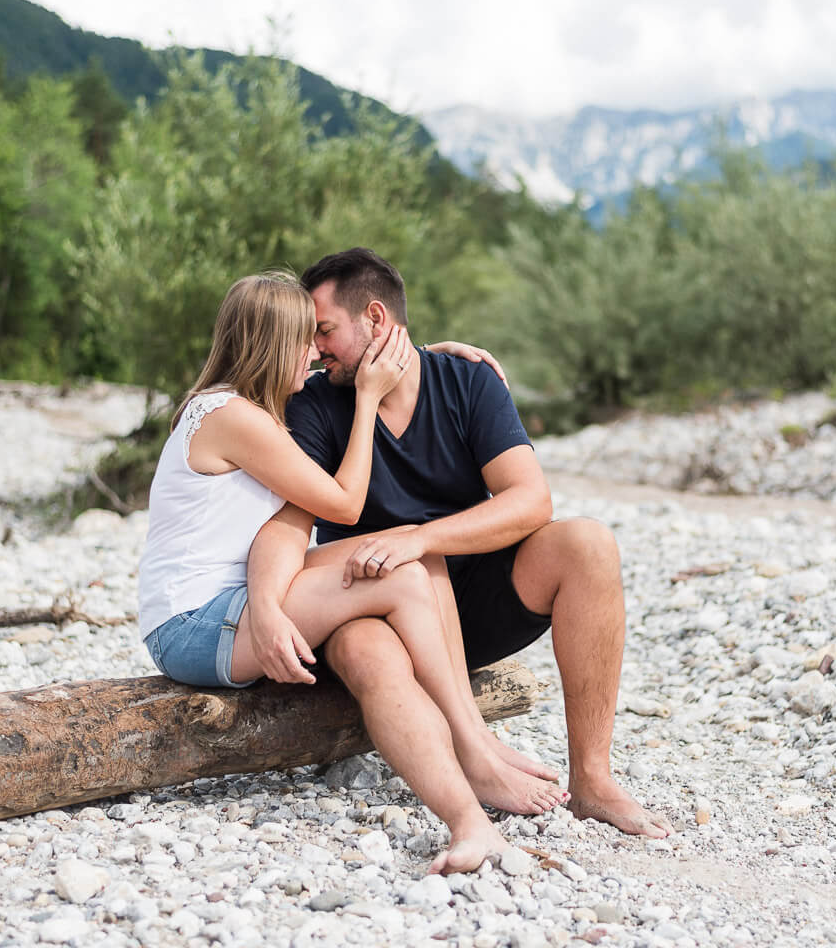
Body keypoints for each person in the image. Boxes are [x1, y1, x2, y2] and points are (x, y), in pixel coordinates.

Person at [248, 248, 674, 840]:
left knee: (589, 544)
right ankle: (470, 765)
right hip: (372, 607)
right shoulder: (316, 403)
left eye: (324, 331)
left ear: (376, 320)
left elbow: (531, 501)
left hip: (472, 603)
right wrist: (268, 606)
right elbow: (289, 520)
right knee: (398, 599)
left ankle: (594, 781)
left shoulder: (467, 381)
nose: (316, 349)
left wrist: (419, 538)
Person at [137, 270, 555, 874]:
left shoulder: (249, 410)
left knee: (412, 554)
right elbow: (343, 505)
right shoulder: (231, 416)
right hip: (194, 625)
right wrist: (365, 400)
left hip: (226, 608)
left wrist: (426, 356)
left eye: (321, 335)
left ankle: (471, 801)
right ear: (274, 344)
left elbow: (360, 366)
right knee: (402, 566)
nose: (315, 352)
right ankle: (473, 748)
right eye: (306, 339)